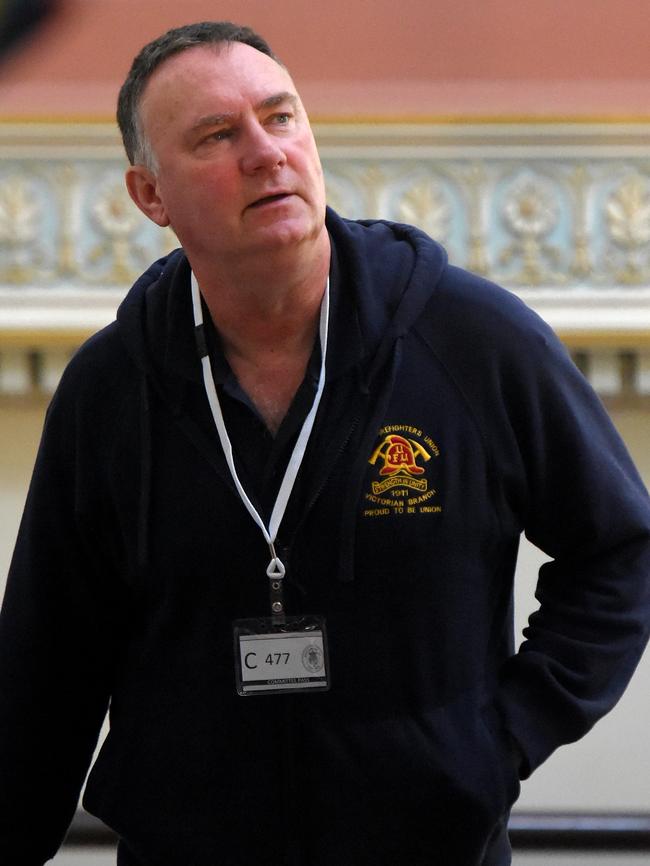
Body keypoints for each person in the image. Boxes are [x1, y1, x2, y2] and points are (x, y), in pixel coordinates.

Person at [1, 20, 649, 866]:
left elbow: (622, 549)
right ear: (150, 196)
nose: (266, 153)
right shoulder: (110, 389)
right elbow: (49, 666)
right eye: (216, 136)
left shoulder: (473, 340)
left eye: (281, 118)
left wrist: (499, 740)